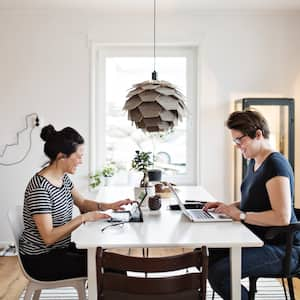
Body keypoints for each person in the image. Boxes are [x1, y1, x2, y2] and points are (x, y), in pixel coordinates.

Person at [204, 110, 300, 300]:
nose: (238, 146)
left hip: (284, 248)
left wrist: (240, 215)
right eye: (235, 142)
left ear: (258, 134)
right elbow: (256, 201)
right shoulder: (254, 162)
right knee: (208, 257)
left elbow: (281, 217)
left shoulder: (276, 165)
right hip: (260, 239)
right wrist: (227, 207)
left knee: (220, 273)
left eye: (240, 140)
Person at [19, 124, 132, 281]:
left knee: (114, 262)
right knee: (111, 268)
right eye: (78, 156)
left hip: (60, 250)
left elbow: (83, 203)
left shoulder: (62, 178)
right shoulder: (40, 188)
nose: (80, 161)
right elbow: (48, 237)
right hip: (41, 260)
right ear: (61, 156)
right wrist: (83, 218)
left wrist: (110, 206)